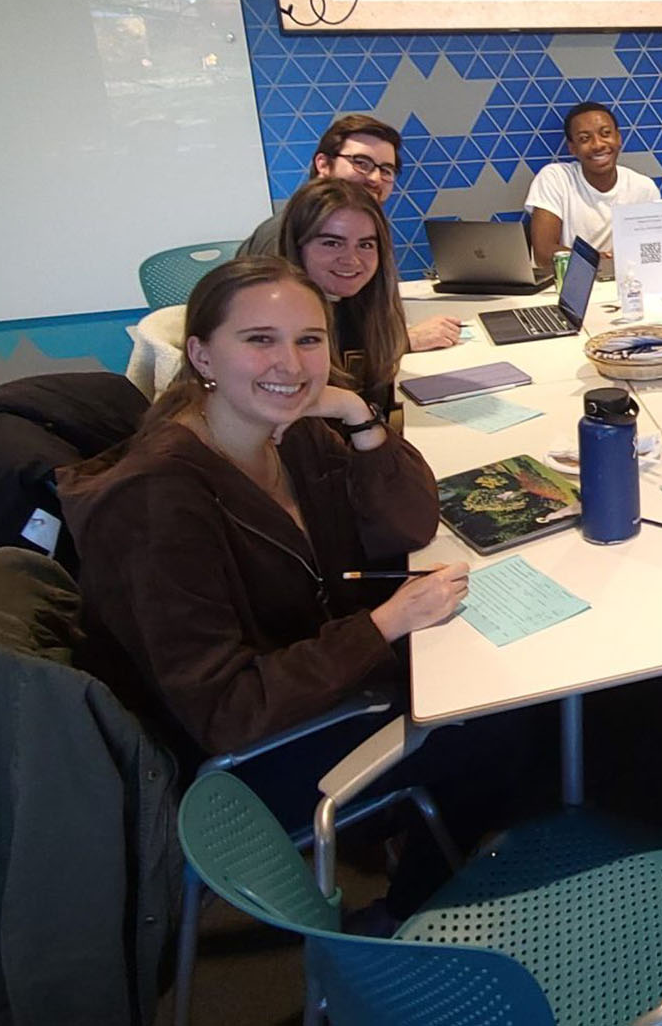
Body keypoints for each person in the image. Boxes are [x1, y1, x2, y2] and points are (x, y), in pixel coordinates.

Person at [58, 257, 469, 759]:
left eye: (309, 340)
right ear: (202, 356)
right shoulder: (155, 503)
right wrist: (381, 625)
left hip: (329, 677)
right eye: (259, 339)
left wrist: (356, 414)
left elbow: (410, 525)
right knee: (516, 730)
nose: (292, 366)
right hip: (265, 756)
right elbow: (225, 711)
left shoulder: (289, 431)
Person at [239, 113, 461, 351]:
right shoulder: (283, 235)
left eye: (386, 169)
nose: (375, 178)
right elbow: (290, 356)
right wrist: (403, 342)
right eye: (361, 163)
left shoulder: (367, 225)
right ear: (323, 164)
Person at [275, 178, 411, 416]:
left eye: (366, 245)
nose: (351, 260)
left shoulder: (367, 306)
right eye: (332, 243)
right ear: (297, 246)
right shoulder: (276, 325)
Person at [525, 101, 660, 266]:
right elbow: (544, 254)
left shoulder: (643, 188)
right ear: (572, 148)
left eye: (605, 133)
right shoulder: (555, 178)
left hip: (624, 285)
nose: (597, 145)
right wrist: (598, 261)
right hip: (566, 286)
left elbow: (656, 253)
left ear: (618, 138)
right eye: (584, 139)